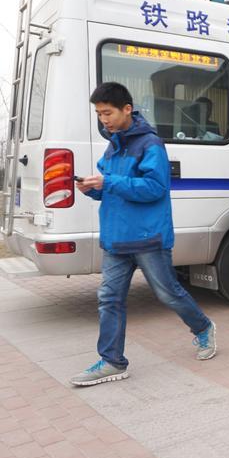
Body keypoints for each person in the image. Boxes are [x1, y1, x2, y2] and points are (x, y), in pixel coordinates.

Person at [69, 82, 217, 386]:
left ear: (127, 109)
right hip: (116, 239)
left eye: (108, 113)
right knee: (109, 299)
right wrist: (92, 189)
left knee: (168, 293)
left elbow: (155, 188)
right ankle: (112, 361)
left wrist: (108, 182)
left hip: (148, 237)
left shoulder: (151, 144)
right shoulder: (113, 146)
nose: (104, 120)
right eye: (99, 114)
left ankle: (203, 327)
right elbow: (112, 188)